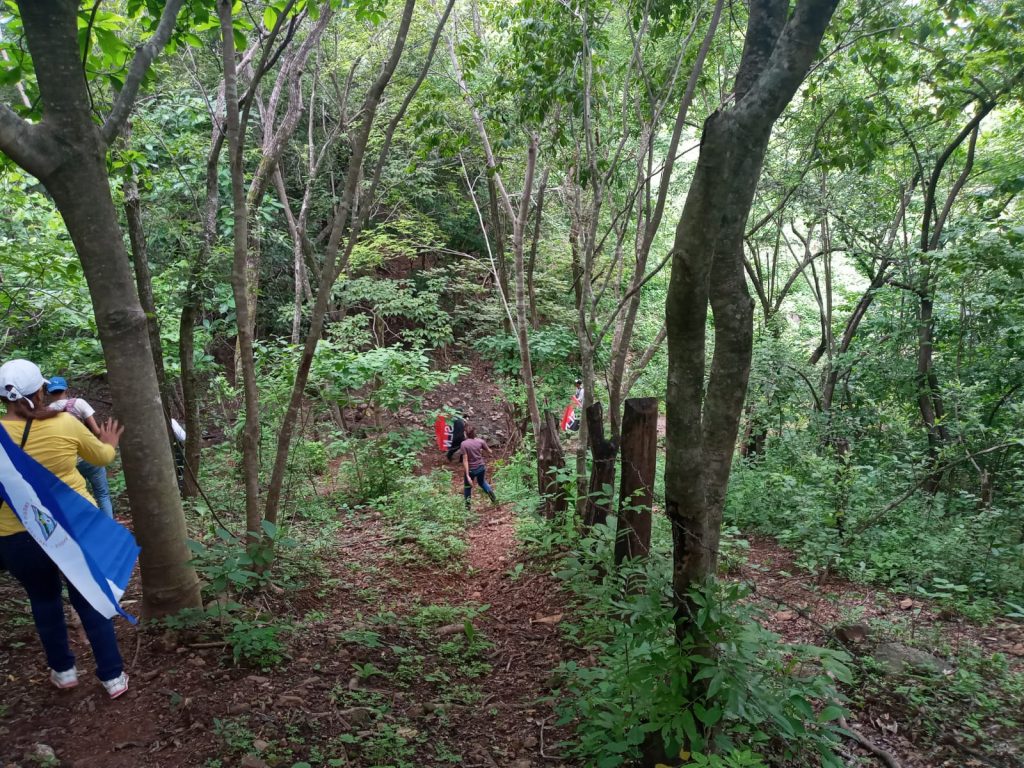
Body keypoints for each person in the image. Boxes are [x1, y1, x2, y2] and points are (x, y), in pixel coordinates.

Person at [0, 359, 129, 698]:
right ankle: (112, 677)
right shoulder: (65, 424)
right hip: (75, 526)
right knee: (89, 598)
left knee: (43, 600)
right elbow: (101, 458)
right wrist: (110, 442)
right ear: (39, 392)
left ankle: (64, 671)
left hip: (18, 533)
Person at [44, 376, 114, 519]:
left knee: (81, 496)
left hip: (69, 461)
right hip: (89, 456)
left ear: (49, 393)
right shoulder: (78, 403)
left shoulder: (46, 412)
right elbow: (96, 431)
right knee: (102, 494)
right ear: (66, 390)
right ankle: (108, 525)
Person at [455, 425, 497, 509]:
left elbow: (465, 460)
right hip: (481, 467)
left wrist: (467, 475)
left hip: (471, 470)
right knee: (482, 482)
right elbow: (490, 451)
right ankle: (494, 499)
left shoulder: (464, 444)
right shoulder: (480, 441)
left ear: (465, 434)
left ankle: (467, 507)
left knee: (467, 487)